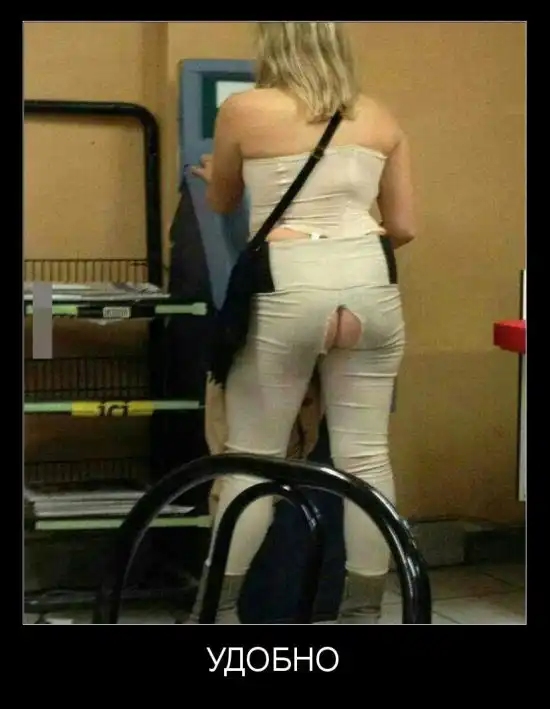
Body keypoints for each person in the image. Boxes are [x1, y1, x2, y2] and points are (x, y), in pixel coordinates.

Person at [189, 21, 416, 624]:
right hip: (371, 278)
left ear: (272, 44)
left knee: (252, 455)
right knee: (366, 457)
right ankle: (364, 612)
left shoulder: (244, 109)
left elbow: (223, 201)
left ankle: (218, 610)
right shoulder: (380, 117)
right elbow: (404, 225)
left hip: (288, 278)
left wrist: (218, 177)